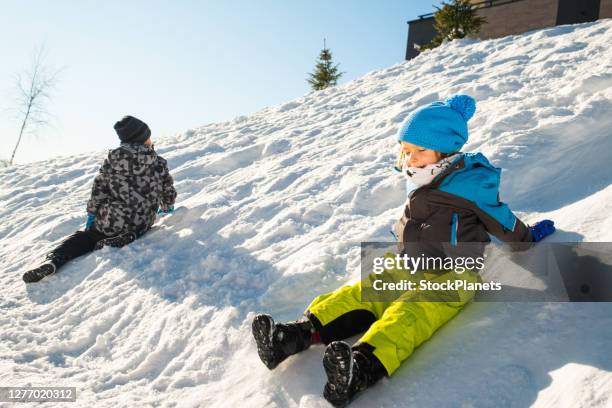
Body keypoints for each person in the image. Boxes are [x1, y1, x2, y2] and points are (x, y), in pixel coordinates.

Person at [251, 94, 556, 407]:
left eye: (419, 151)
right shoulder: (423, 174)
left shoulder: (471, 183)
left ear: (447, 149)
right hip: (409, 263)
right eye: (407, 151)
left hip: (454, 274)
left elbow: (500, 219)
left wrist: (527, 237)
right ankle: (293, 336)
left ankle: (359, 368)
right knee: (362, 293)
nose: (410, 159)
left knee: (410, 312)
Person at [22, 115, 177, 283]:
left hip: (112, 218)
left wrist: (92, 214)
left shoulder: (113, 160)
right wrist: (168, 205)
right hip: (142, 220)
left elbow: (99, 190)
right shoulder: (158, 162)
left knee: (85, 237)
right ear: (143, 138)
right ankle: (127, 236)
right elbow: (167, 190)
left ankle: (54, 260)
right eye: (148, 136)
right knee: (138, 223)